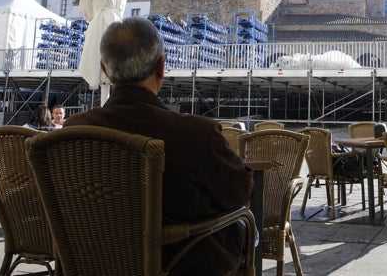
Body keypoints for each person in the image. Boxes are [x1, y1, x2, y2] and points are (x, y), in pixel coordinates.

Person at [63, 17, 254, 275]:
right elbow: (239, 194)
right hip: (180, 263)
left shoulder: (74, 131)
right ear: (161, 67)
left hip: (97, 260)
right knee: (249, 227)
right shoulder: (196, 133)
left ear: (104, 69)